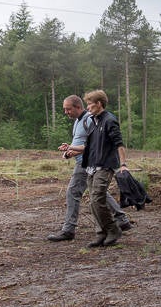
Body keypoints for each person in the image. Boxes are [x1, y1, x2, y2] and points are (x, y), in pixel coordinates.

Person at [47, 95, 132, 242]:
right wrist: (70, 151)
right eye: (65, 109)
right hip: (86, 162)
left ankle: (69, 229)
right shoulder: (78, 121)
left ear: (78, 107)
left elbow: (97, 144)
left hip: (92, 163)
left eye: (68, 109)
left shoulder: (91, 119)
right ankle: (121, 219)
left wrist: (123, 164)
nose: (66, 112)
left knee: (74, 192)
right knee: (98, 193)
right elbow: (85, 143)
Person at [80, 90, 129, 248]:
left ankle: (113, 229)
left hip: (106, 166)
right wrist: (71, 150)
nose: (87, 107)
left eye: (89, 104)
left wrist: (123, 165)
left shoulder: (110, 120)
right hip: (91, 167)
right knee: (93, 203)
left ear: (99, 103)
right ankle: (101, 233)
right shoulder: (92, 122)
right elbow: (89, 147)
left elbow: (119, 144)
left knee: (97, 199)